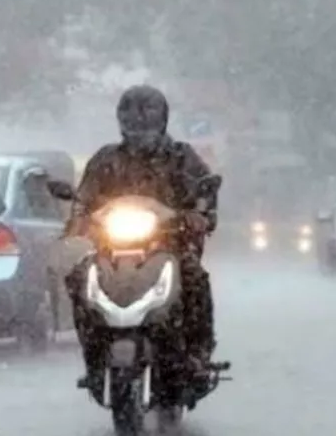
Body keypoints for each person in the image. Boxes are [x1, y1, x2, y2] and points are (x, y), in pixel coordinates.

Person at [62, 84, 219, 393]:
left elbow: (204, 192)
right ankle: (94, 355)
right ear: (121, 119)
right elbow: (84, 197)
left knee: (194, 278)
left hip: (169, 246)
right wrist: (78, 217)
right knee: (78, 278)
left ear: (162, 118)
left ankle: (198, 354)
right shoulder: (107, 159)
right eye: (132, 115)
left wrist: (199, 214)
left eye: (147, 114)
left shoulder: (181, 157)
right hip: (112, 250)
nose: (139, 122)